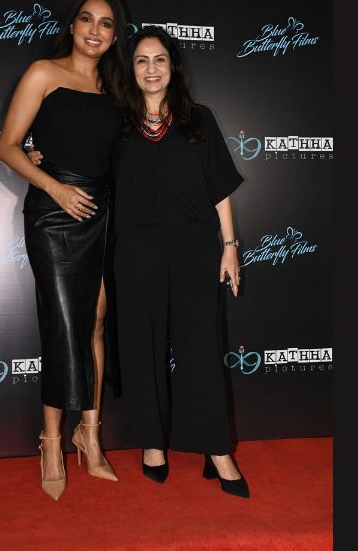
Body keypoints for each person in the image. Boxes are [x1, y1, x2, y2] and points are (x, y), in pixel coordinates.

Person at [0, 0, 127, 501]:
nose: (95, 30)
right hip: (54, 212)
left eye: (106, 24)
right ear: (72, 25)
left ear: (115, 35)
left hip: (102, 212)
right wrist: (55, 187)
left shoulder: (118, 88)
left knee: (95, 321)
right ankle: (50, 440)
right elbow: (8, 146)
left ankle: (89, 435)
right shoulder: (43, 73)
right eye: (86, 20)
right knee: (63, 324)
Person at [113, 25, 249, 498]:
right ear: (131, 70)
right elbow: (85, 164)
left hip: (194, 248)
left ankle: (216, 449)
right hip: (135, 251)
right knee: (141, 346)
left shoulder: (198, 119)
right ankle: (153, 442)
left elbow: (219, 188)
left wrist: (230, 246)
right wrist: (39, 153)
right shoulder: (117, 124)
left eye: (160, 60)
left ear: (173, 67)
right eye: (142, 60)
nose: (151, 69)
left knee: (201, 349)